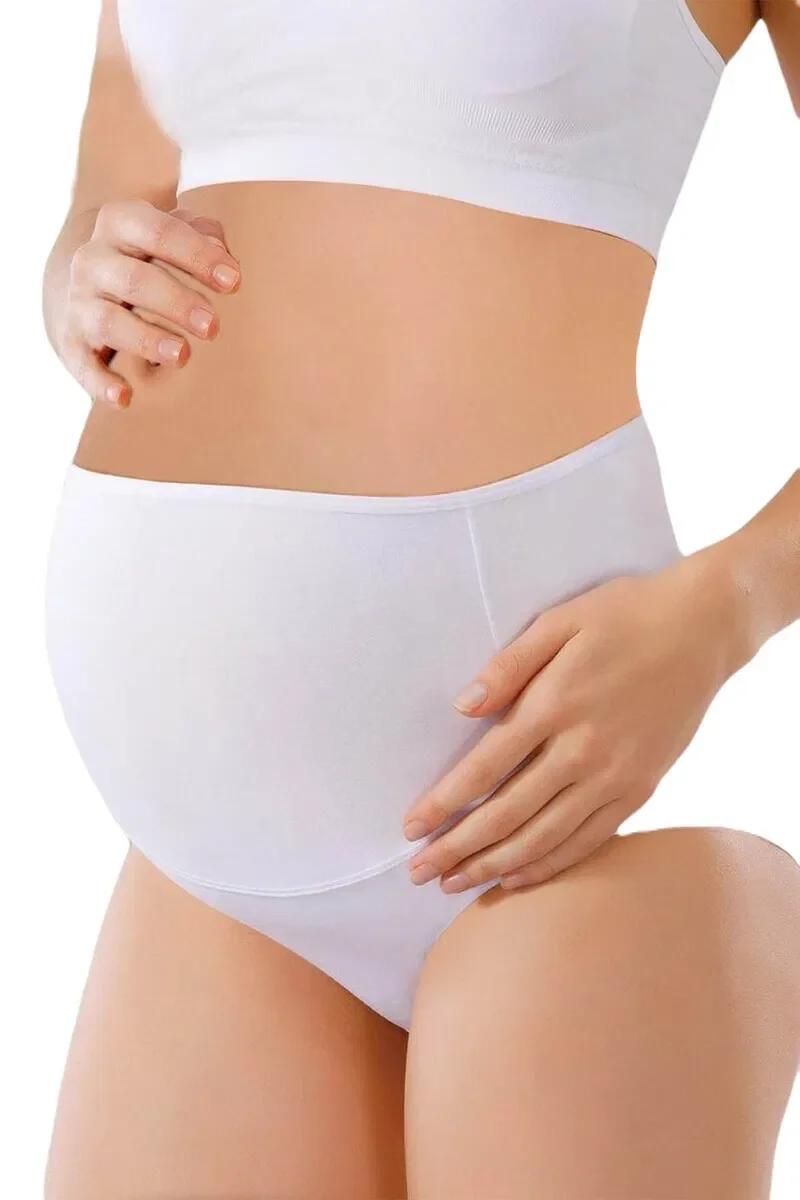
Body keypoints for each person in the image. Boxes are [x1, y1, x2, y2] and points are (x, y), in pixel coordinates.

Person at [40, 1, 800, 1197]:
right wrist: (79, 280)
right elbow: (115, 180)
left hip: (549, 803)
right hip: (207, 866)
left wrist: (725, 609)